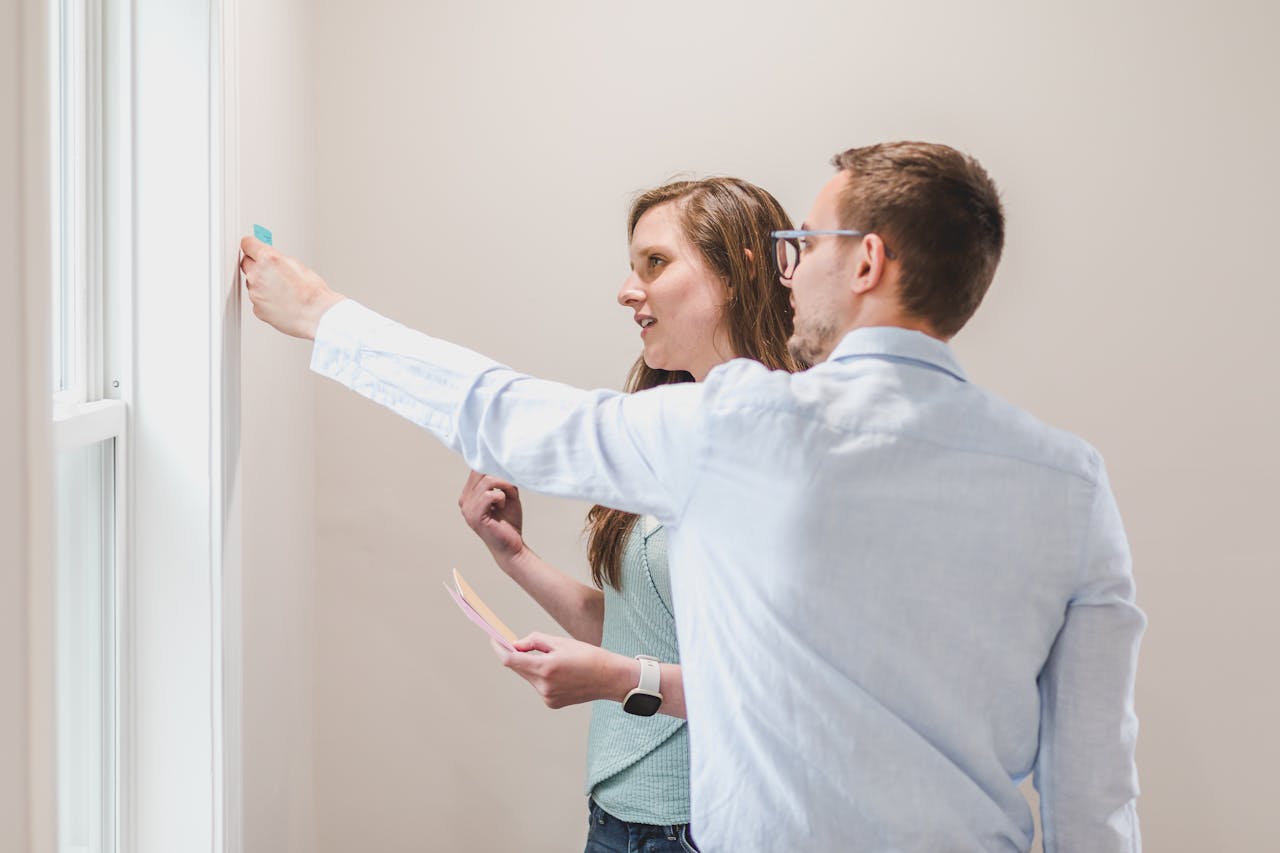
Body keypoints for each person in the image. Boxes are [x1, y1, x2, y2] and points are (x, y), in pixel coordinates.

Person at [241, 141, 1145, 853]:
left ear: (868, 261)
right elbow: (1095, 795)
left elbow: (510, 414)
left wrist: (323, 313)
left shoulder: (746, 425)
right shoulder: (1070, 480)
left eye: (806, 246)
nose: (789, 270)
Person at [456, 177, 800, 853]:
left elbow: (776, 689)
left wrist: (618, 680)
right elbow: (633, 628)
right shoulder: (663, 425)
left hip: (707, 828)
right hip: (617, 818)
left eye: (655, 263)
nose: (626, 289)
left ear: (739, 271)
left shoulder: (792, 442)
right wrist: (512, 554)